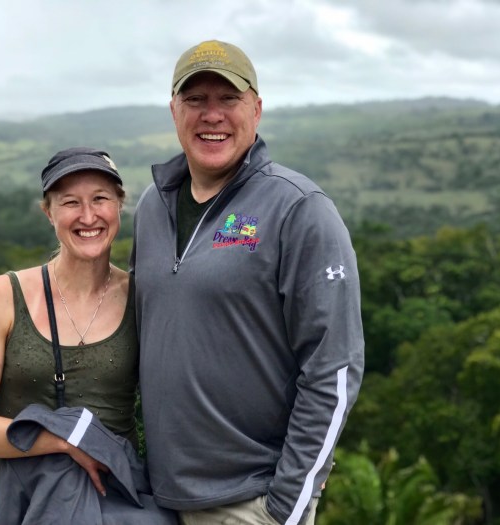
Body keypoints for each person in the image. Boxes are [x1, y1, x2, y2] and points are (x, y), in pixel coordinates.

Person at [130, 40, 365, 524]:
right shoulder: (153, 205)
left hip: (250, 500)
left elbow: (334, 367)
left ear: (256, 110)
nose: (211, 115)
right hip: (158, 496)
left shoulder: (299, 209)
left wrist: (285, 507)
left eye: (228, 99)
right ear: (174, 111)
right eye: (195, 100)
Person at [0, 148, 171, 524]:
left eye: (100, 199)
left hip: (116, 508)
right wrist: (64, 442)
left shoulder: (142, 298)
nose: (88, 216)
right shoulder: (2, 296)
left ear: (120, 205)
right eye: (70, 202)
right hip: (25, 508)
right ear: (48, 212)